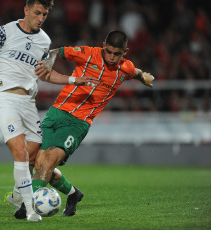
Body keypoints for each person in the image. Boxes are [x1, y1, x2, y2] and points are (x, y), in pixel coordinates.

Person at [0, 0, 97, 222]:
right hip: (5, 99)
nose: (40, 18)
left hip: (28, 103)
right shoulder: (3, 32)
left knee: (35, 155)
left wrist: (75, 80)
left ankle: (21, 193)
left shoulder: (45, 41)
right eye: (37, 13)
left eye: (44, 15)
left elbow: (45, 74)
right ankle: (29, 210)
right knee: (20, 152)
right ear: (26, 10)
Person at [20, 30, 154, 217]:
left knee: (49, 161)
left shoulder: (125, 68)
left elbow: (136, 72)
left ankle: (28, 205)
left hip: (78, 122)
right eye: (109, 51)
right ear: (103, 46)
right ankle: (74, 194)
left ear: (125, 52)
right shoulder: (88, 53)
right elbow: (57, 51)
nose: (112, 57)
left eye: (118, 54)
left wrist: (143, 77)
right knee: (39, 164)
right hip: (55, 113)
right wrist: (50, 60)